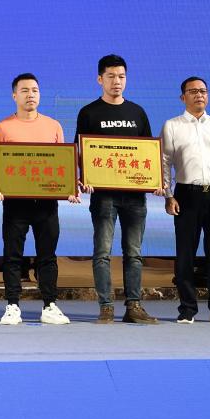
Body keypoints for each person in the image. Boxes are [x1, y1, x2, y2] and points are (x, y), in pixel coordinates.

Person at [0, 73, 78, 326]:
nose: (30, 95)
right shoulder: (2, 128)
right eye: (25, 90)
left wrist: (69, 188)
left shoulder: (53, 126)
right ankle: (12, 305)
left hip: (46, 203)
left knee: (47, 255)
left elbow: (62, 164)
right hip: (15, 203)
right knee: (12, 255)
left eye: (35, 90)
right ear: (14, 95)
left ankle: (50, 305)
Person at [75, 54, 160, 325]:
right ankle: (106, 307)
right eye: (111, 76)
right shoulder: (89, 112)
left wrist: (155, 181)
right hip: (103, 196)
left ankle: (134, 306)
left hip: (135, 196)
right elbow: (80, 152)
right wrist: (84, 177)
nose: (117, 81)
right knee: (102, 252)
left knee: (134, 253)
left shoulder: (137, 112)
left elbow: (148, 153)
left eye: (121, 76)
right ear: (100, 79)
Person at [160, 76, 210, 325]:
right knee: (185, 253)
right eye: (193, 91)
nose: (199, 95)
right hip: (186, 194)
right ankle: (187, 309)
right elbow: (164, 163)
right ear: (182, 97)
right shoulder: (172, 126)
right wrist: (168, 195)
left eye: (203, 91)